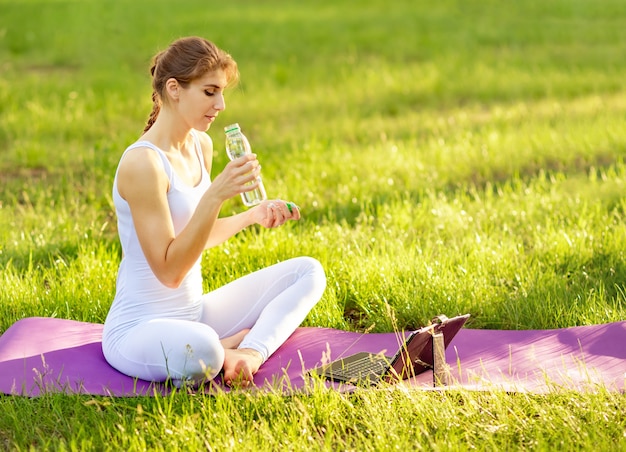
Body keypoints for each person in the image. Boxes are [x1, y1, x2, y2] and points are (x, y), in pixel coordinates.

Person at [101, 36, 326, 387]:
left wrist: (252, 215)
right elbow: (170, 270)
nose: (220, 104)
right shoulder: (143, 163)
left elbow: (195, 236)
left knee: (308, 272)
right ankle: (224, 347)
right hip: (139, 328)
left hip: (194, 314)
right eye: (210, 92)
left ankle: (249, 351)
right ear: (174, 89)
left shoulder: (200, 145)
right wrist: (216, 195)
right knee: (204, 350)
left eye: (222, 93)